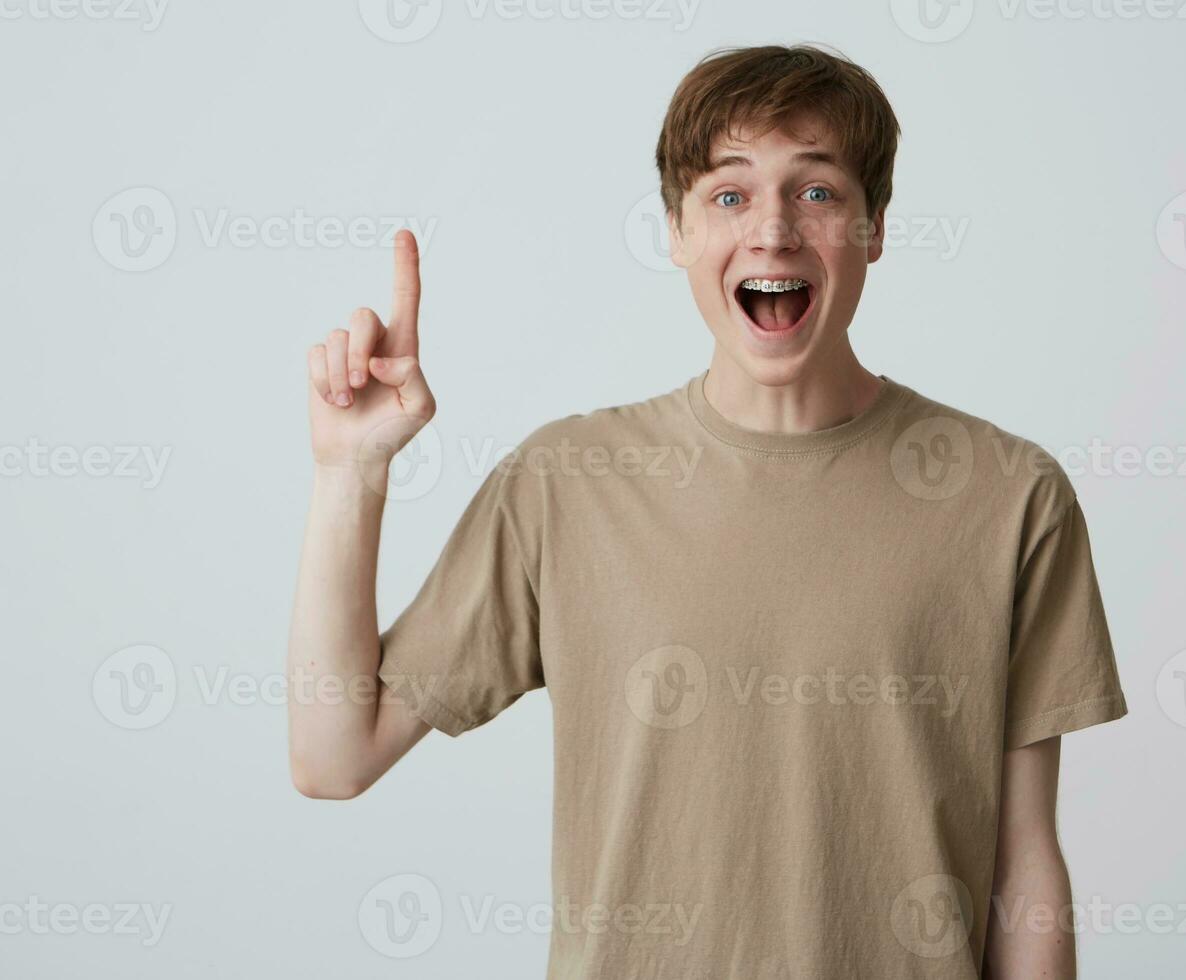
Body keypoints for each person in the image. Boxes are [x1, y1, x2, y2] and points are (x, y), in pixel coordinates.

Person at [288, 43, 1128, 980]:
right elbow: (334, 756)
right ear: (679, 232)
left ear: (876, 227)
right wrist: (348, 474)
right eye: (729, 195)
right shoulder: (565, 483)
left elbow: (1027, 867)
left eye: (817, 192)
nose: (771, 231)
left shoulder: (1008, 495)